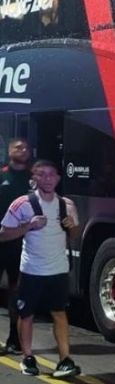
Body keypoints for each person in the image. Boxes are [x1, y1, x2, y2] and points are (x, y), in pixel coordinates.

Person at [0, 159, 81, 378]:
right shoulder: (21, 204)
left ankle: (65, 360)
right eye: (41, 175)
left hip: (58, 270)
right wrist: (29, 226)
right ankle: (27, 358)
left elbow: (74, 236)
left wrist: (72, 227)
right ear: (33, 179)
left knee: (60, 313)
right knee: (27, 314)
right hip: (32, 270)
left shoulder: (67, 205)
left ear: (58, 179)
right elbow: (3, 233)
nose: (47, 179)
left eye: (51, 174)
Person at [0, 138, 31, 355]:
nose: (22, 150)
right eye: (18, 147)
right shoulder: (1, 175)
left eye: (25, 148)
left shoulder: (34, 179)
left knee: (16, 293)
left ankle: (14, 338)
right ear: (9, 151)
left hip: (21, 245)